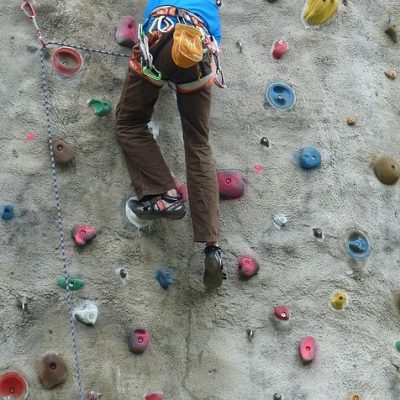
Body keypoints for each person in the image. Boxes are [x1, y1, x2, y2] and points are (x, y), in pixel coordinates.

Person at [116, 0, 226, 289]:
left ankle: (163, 194)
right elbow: (215, 49)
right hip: (199, 48)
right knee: (198, 142)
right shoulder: (212, 13)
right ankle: (212, 247)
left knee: (129, 121)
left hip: (162, 35)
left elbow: (151, 17)